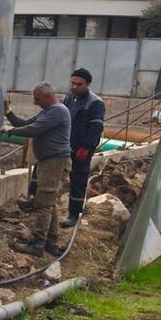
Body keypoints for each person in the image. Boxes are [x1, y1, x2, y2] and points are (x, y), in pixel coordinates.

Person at [4, 83, 72, 257]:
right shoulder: (48, 111)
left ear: (48, 96)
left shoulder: (58, 111)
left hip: (54, 163)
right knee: (49, 203)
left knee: (43, 205)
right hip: (49, 162)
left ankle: (38, 245)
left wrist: (9, 130)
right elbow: (25, 123)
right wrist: (8, 113)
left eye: (37, 98)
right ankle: (52, 243)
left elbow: (33, 129)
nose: (35, 102)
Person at [61, 68, 106, 229]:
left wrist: (86, 147)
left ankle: (74, 213)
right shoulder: (68, 99)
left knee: (78, 179)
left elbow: (96, 127)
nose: (74, 87)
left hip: (82, 147)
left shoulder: (95, 103)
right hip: (66, 144)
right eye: (72, 83)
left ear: (87, 84)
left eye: (78, 84)